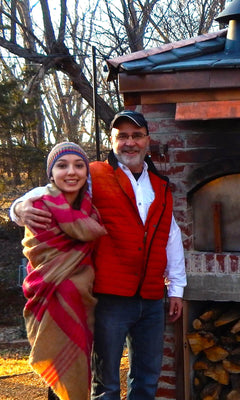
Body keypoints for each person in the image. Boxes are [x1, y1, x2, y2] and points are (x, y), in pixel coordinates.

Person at [11, 110, 187, 400]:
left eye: (136, 136)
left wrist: (176, 288)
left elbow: (171, 234)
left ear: (147, 140)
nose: (129, 143)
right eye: (122, 136)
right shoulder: (92, 173)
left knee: (146, 379)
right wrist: (17, 207)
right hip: (110, 296)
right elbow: (51, 187)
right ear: (111, 140)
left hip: (153, 298)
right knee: (106, 385)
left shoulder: (160, 185)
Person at [19, 142, 107, 400]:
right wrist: (17, 207)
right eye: (62, 165)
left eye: (79, 166)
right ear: (51, 173)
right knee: (58, 372)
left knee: (80, 365)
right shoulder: (36, 208)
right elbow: (40, 255)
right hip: (48, 299)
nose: (71, 172)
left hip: (83, 303)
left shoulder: (91, 210)